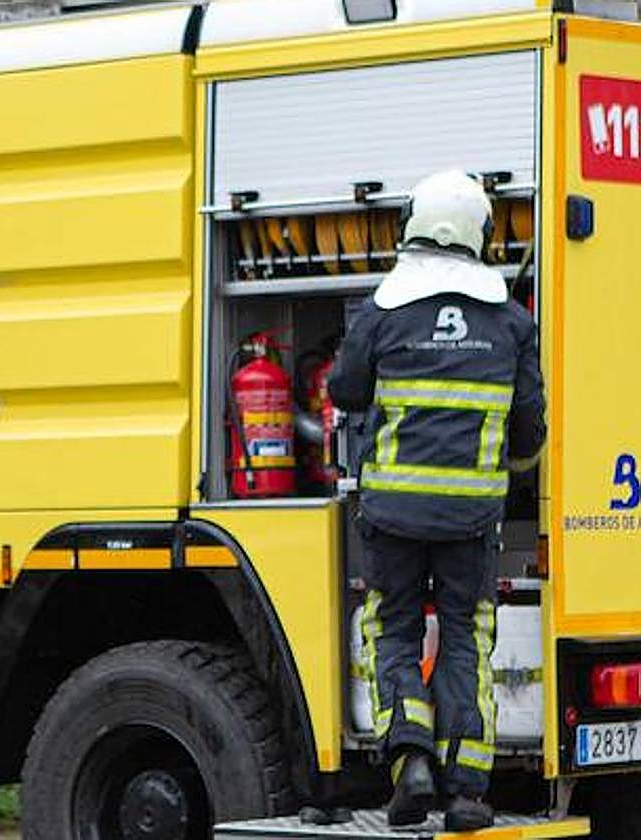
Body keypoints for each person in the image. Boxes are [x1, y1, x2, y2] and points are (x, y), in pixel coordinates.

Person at [329, 170, 547, 830]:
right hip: (472, 519)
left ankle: (411, 762)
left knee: (392, 631)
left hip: (392, 515)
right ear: (479, 233)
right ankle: (466, 793)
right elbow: (530, 430)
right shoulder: (510, 321)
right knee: (465, 641)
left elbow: (344, 390)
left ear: (414, 227)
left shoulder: (384, 310)